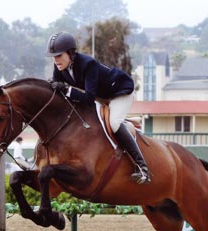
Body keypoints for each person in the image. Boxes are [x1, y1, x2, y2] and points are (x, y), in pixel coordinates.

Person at [45, 31, 150, 184]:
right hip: (101, 95)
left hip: (120, 91)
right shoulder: (60, 67)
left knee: (114, 124)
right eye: (53, 56)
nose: (55, 60)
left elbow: (87, 98)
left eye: (59, 55)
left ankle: (142, 167)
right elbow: (57, 92)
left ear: (70, 53)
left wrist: (67, 89)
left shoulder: (88, 64)